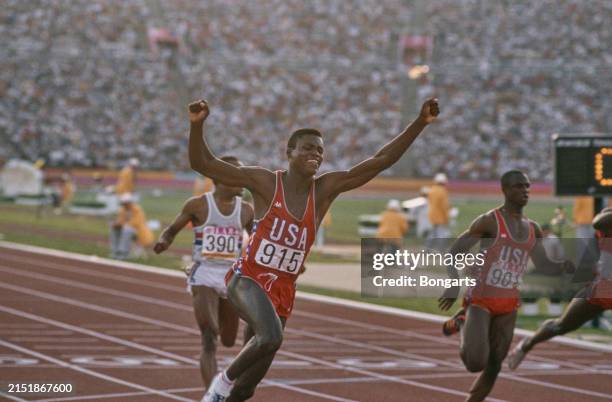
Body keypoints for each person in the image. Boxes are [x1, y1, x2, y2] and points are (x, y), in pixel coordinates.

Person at [188, 97, 439, 401]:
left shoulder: (324, 190)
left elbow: (381, 160)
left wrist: (420, 123)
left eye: (320, 150)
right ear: (289, 152)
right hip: (248, 279)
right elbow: (202, 163)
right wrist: (197, 124)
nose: (315, 154)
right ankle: (219, 385)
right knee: (270, 338)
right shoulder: (265, 182)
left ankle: (231, 390)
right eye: (307, 147)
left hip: (283, 290)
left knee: (247, 387)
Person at [437, 170, 574, 402]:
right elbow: (454, 252)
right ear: (505, 190)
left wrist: (563, 267)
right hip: (481, 300)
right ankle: (462, 322)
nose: (525, 191)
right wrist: (453, 286)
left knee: (494, 365)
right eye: (518, 186)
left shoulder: (533, 229)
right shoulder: (490, 221)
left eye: (527, 186)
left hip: (508, 303)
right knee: (475, 363)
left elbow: (543, 264)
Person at [153, 156, 254, 388]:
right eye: (236, 175)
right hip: (204, 273)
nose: (242, 180)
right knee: (209, 337)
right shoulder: (197, 205)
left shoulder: (246, 211)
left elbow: (259, 241)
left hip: (232, 277)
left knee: (229, 340)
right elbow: (171, 230)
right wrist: (163, 241)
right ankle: (212, 394)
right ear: (219, 178)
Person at [507, 207, 612, 370]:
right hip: (603, 290)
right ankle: (527, 344)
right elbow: (599, 222)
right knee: (561, 325)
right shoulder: (607, 218)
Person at [110, 193, 154, 259]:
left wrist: (122, 225)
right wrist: (117, 224)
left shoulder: (137, 209)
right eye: (123, 203)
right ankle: (115, 251)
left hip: (139, 231)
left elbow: (137, 222)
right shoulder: (122, 210)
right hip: (126, 229)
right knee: (114, 229)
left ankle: (124, 252)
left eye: (125, 203)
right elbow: (121, 220)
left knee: (127, 230)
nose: (124, 205)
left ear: (129, 202)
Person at [427, 172, 450, 251]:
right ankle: (441, 250)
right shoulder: (443, 191)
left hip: (431, 215)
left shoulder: (432, 190)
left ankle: (428, 249)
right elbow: (444, 206)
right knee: (441, 233)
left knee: (432, 233)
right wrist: (446, 217)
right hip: (440, 216)